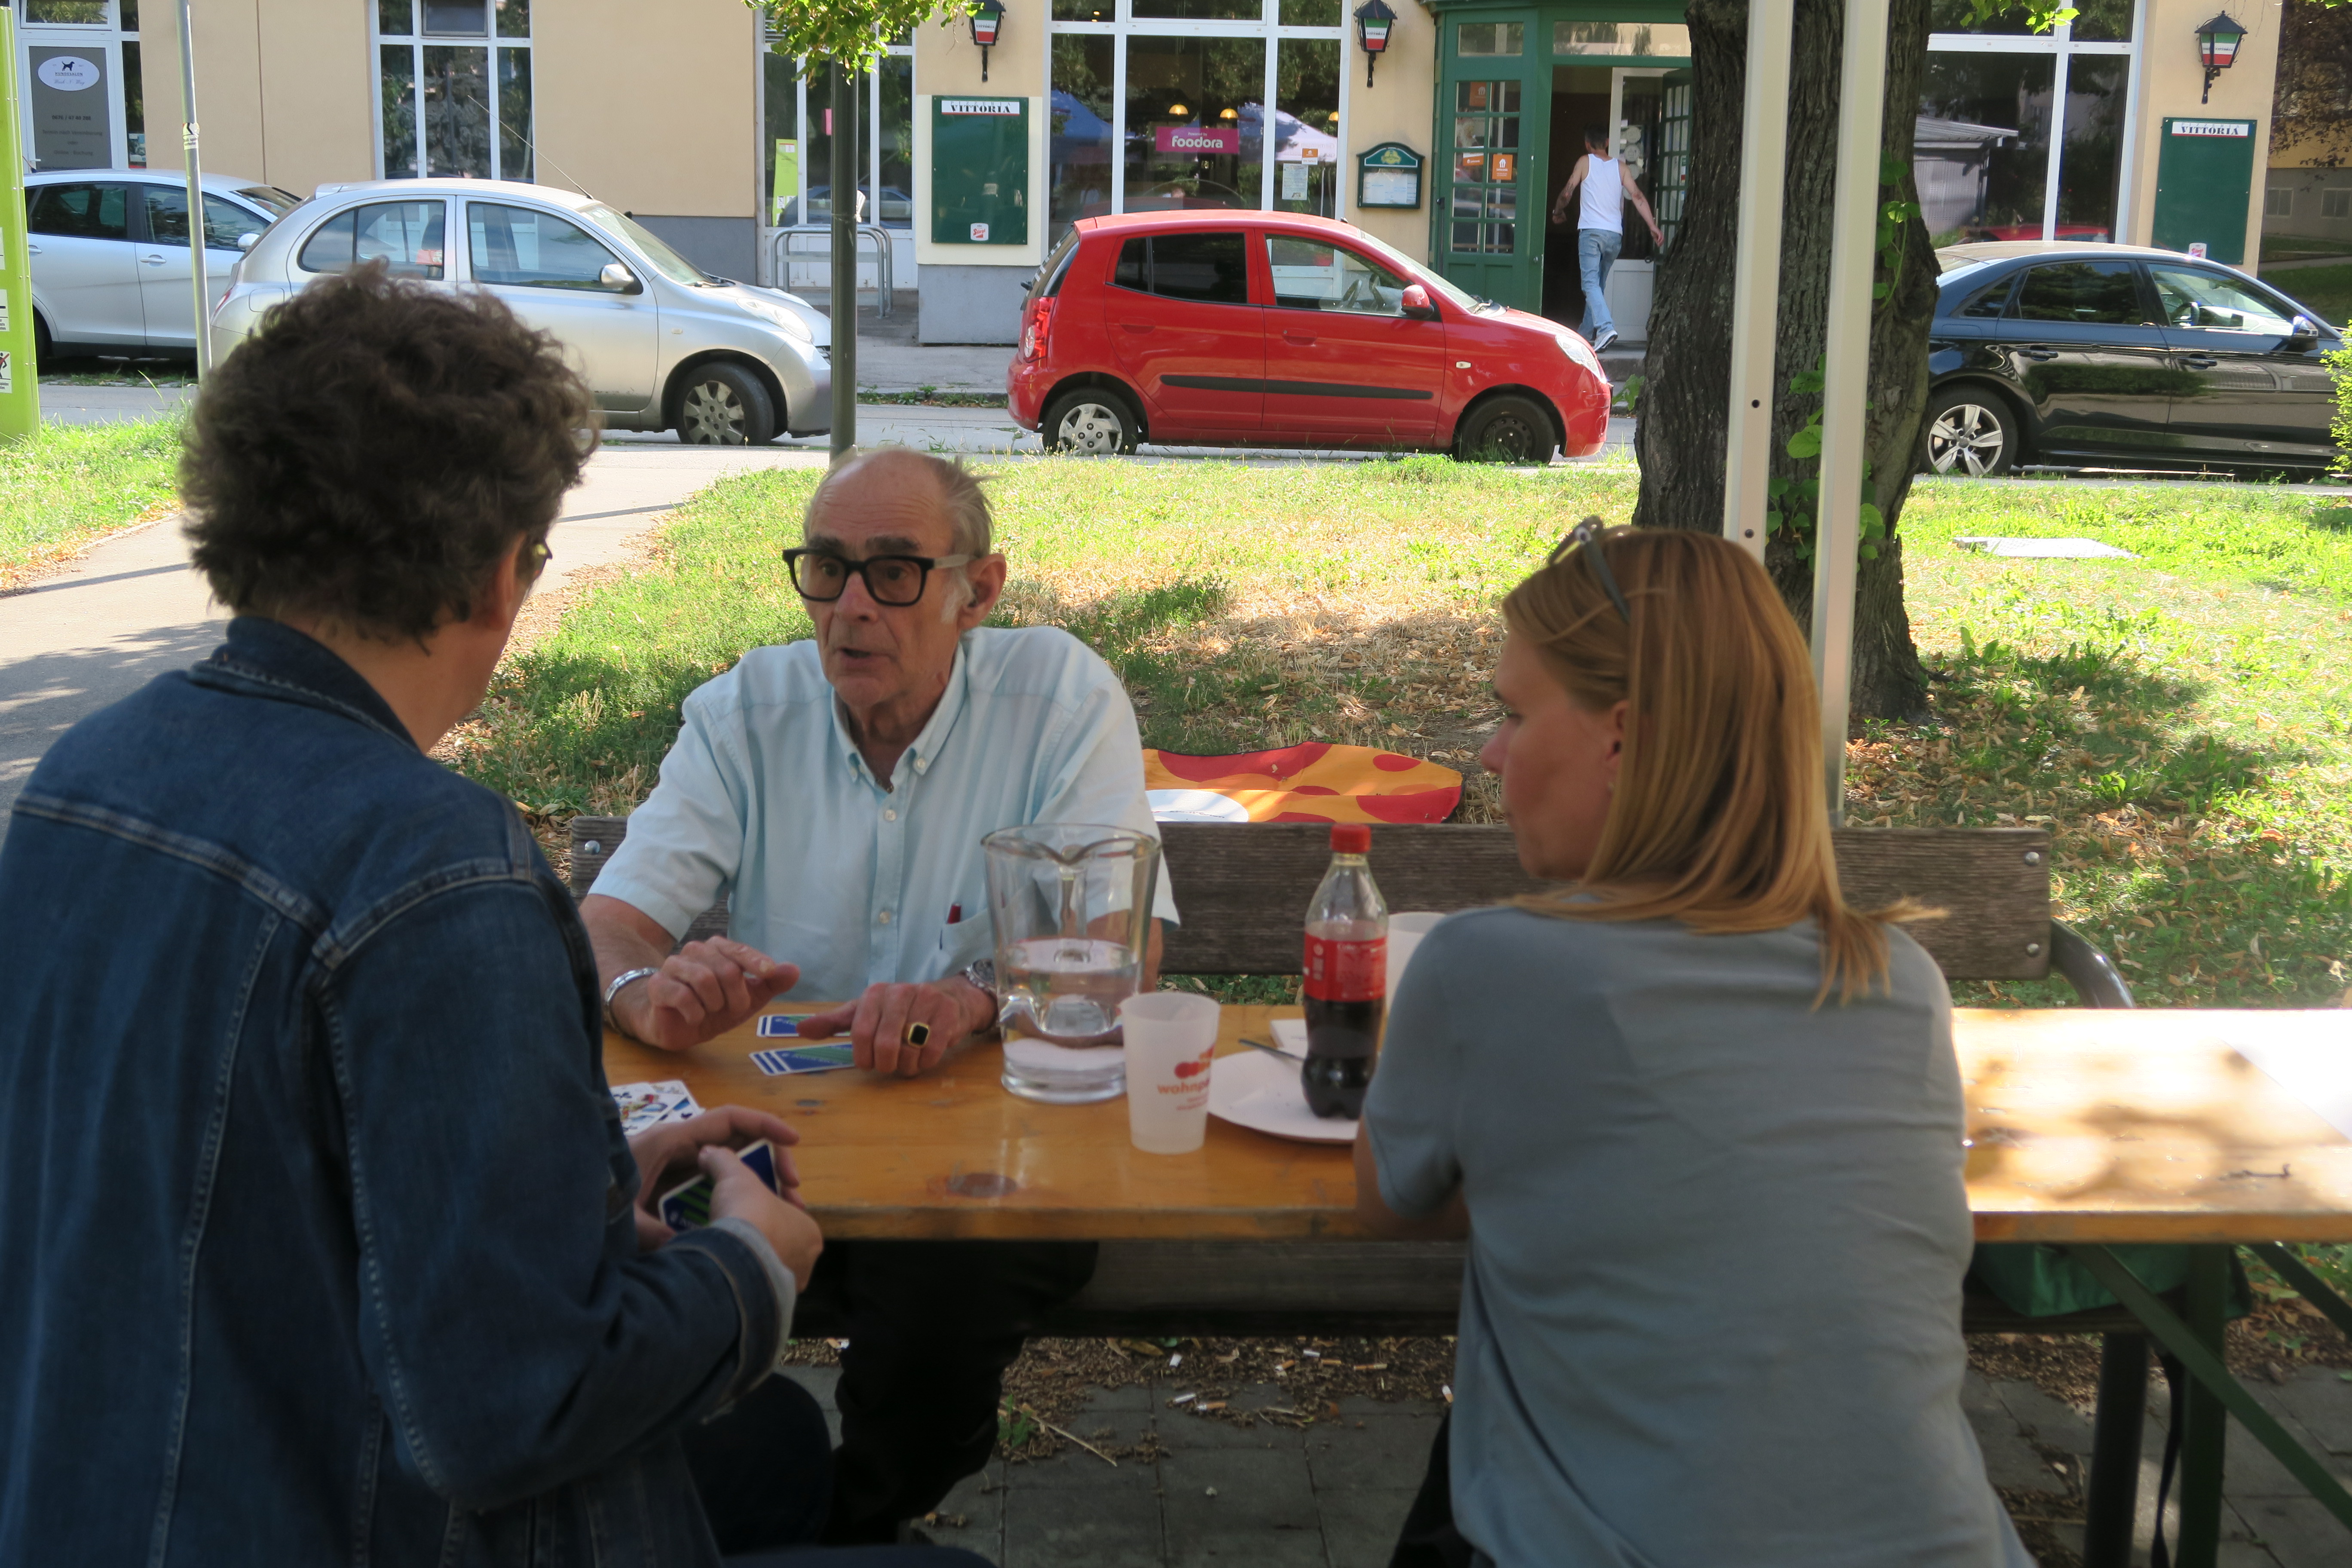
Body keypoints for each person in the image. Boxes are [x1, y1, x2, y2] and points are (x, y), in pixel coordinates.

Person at [0, 266, 985, 1568]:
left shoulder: (76, 785)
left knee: (774, 1453)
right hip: (363, 1517)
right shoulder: (439, 874)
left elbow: (234, 1194)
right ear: (494, 576)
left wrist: (581, 1186)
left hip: (108, 1495)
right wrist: (751, 1266)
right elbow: (517, 1405)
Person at [1358, 522, 2031, 1568]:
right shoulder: (1896, 979)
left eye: (1513, 714)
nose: (1489, 754)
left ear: (1622, 739)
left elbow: (1388, 1201)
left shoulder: (1487, 965)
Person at [582, 445, 1176, 1544]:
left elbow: (1120, 950)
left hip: (991, 1157)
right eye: (828, 567)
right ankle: (751, 1515)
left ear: (976, 592)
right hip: (779, 1151)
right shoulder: (747, 710)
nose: (850, 607)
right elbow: (608, 925)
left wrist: (972, 998)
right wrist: (639, 992)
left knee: (945, 1287)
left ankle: (837, 1529)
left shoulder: (1056, 696)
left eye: (894, 571)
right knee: (599, 1233)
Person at [1548, 125, 1664, 355]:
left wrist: (1557, 211)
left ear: (1587, 144)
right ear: (1608, 142)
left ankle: (1605, 328)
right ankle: (1585, 335)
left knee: (1590, 284)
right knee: (1598, 285)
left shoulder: (1585, 162)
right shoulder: (1621, 168)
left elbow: (1567, 193)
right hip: (1614, 235)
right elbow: (1637, 196)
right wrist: (1652, 226)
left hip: (1591, 234)